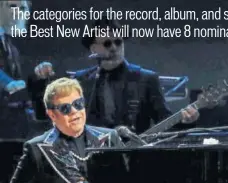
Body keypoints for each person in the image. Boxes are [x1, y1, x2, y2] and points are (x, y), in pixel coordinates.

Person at [29, 16, 198, 135]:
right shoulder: (80, 81)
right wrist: (39, 81)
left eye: (118, 42)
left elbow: (164, 120)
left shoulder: (145, 79)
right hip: (90, 163)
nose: (114, 48)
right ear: (94, 49)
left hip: (133, 161)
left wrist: (186, 120)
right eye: (107, 43)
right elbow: (47, 116)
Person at [0, 0, 31, 139]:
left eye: (22, 8)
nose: (18, 12)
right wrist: (7, 83)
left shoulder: (12, 47)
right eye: (12, 6)